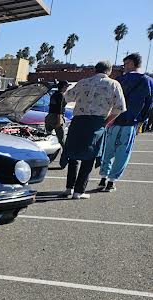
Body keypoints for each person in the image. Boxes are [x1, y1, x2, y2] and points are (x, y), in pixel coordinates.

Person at [59, 61, 126, 199]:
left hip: (78, 122)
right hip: (96, 123)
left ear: (95, 70)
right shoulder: (114, 84)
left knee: (73, 155)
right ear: (109, 71)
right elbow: (120, 107)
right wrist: (106, 122)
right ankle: (79, 191)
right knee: (89, 156)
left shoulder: (83, 82)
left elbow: (67, 97)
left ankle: (69, 188)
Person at [97, 53, 153, 192]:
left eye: (126, 64)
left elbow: (109, 99)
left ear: (132, 63)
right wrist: (142, 120)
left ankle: (103, 177)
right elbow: (149, 104)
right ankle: (111, 181)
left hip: (114, 120)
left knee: (108, 150)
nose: (124, 67)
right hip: (131, 122)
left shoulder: (119, 80)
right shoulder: (147, 81)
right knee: (123, 153)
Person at [45, 80, 69, 148]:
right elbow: (59, 109)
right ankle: (65, 152)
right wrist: (59, 121)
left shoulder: (54, 94)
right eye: (66, 87)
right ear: (63, 87)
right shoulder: (61, 95)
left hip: (50, 117)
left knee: (48, 136)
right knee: (61, 139)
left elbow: (51, 106)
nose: (67, 88)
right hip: (57, 117)